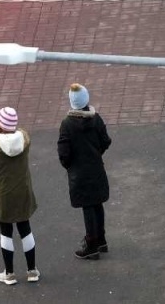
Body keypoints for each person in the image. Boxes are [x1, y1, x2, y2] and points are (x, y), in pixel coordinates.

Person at [0, 106, 40, 285]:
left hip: (3, 195)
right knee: (25, 229)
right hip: (22, 192)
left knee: (6, 233)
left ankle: (9, 274)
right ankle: (32, 271)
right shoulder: (25, 140)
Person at [57, 82, 113, 259]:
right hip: (96, 168)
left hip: (79, 173)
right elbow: (106, 141)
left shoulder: (67, 124)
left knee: (88, 207)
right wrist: (96, 154)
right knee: (97, 204)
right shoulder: (96, 118)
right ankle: (101, 240)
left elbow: (64, 153)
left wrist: (70, 165)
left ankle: (91, 245)